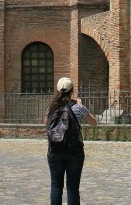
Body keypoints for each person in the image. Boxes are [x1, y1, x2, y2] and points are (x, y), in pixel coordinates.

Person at [44, 77, 96, 205]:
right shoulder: (78, 107)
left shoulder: (52, 107)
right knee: (73, 188)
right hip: (74, 151)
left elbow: (46, 123)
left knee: (56, 187)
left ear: (57, 90)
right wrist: (80, 106)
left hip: (55, 150)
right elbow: (93, 123)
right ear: (72, 91)